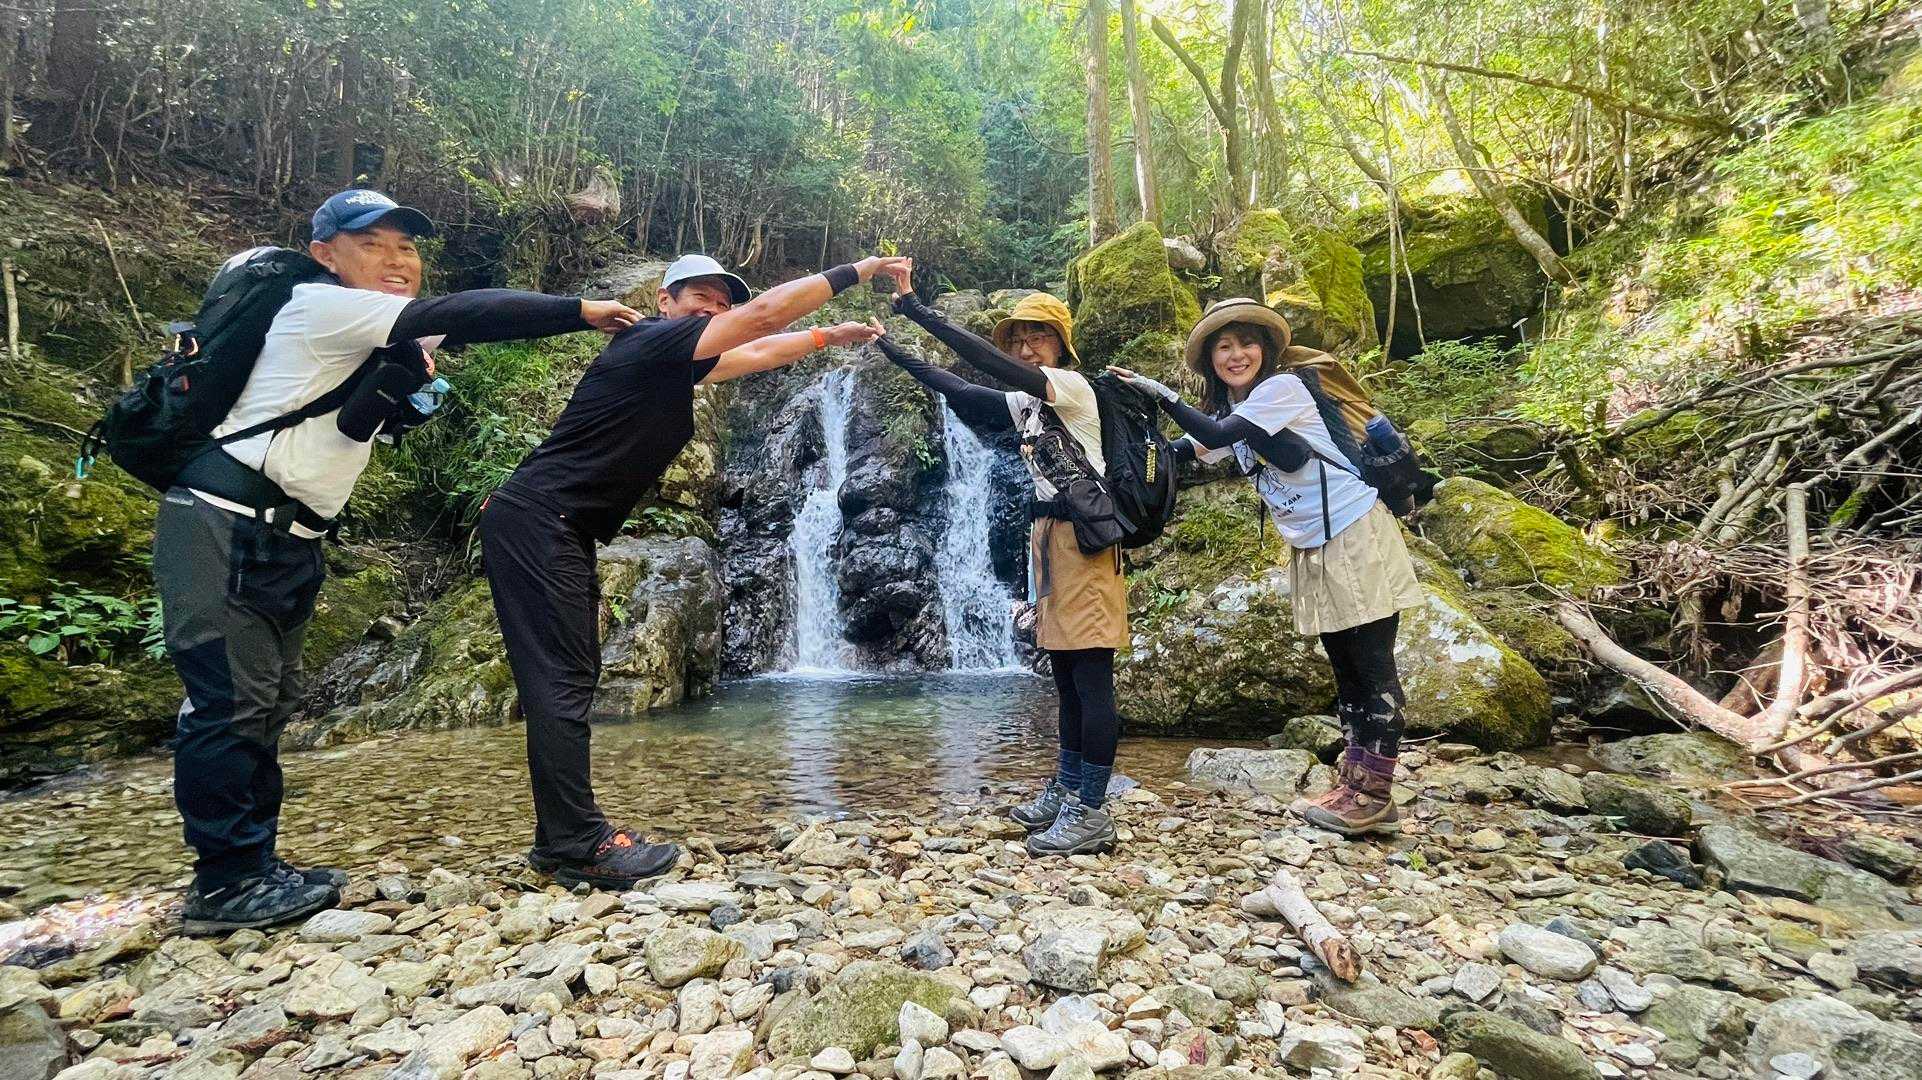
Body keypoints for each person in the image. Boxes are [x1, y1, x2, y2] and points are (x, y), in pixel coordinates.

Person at [159, 188, 643, 935]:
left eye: (407, 247)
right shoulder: (319, 305)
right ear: (325, 254)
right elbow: (469, 313)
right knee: (232, 703)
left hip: (284, 536)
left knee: (269, 700)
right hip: (224, 526)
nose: (396, 260)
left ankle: (255, 867)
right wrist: (581, 310)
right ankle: (224, 885)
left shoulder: (373, 331)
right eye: (372, 244)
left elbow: (367, 414)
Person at [481, 252, 901, 889]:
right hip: (539, 521)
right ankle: (576, 843)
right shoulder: (648, 341)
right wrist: (859, 272)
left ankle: (559, 836)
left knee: (569, 677)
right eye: (700, 296)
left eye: (722, 302)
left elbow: (759, 351)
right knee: (561, 681)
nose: (714, 309)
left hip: (555, 525)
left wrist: (825, 337)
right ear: (664, 302)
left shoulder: (671, 364)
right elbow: (763, 318)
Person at [1109, 298, 1423, 837]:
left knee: (1370, 667)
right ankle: (1353, 785)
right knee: (1345, 669)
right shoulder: (1238, 412)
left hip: (1354, 532)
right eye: (1224, 347)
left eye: (1247, 344)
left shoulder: (1283, 390)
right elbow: (1185, 449)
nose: (1236, 355)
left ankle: (1374, 794)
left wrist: (1159, 393)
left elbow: (1217, 436)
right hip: (1314, 544)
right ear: (1210, 361)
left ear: (1266, 350)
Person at [870, 261, 1125, 857]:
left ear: (1062, 344)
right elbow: (959, 388)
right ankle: (1066, 788)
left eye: (1039, 336)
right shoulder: (1027, 405)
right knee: (1066, 676)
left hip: (1086, 542)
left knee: (1091, 676)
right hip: (1049, 540)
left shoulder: (1073, 389)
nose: (1027, 347)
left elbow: (984, 363)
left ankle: (1092, 810)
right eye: (1019, 339)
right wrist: (891, 348)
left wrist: (913, 307)